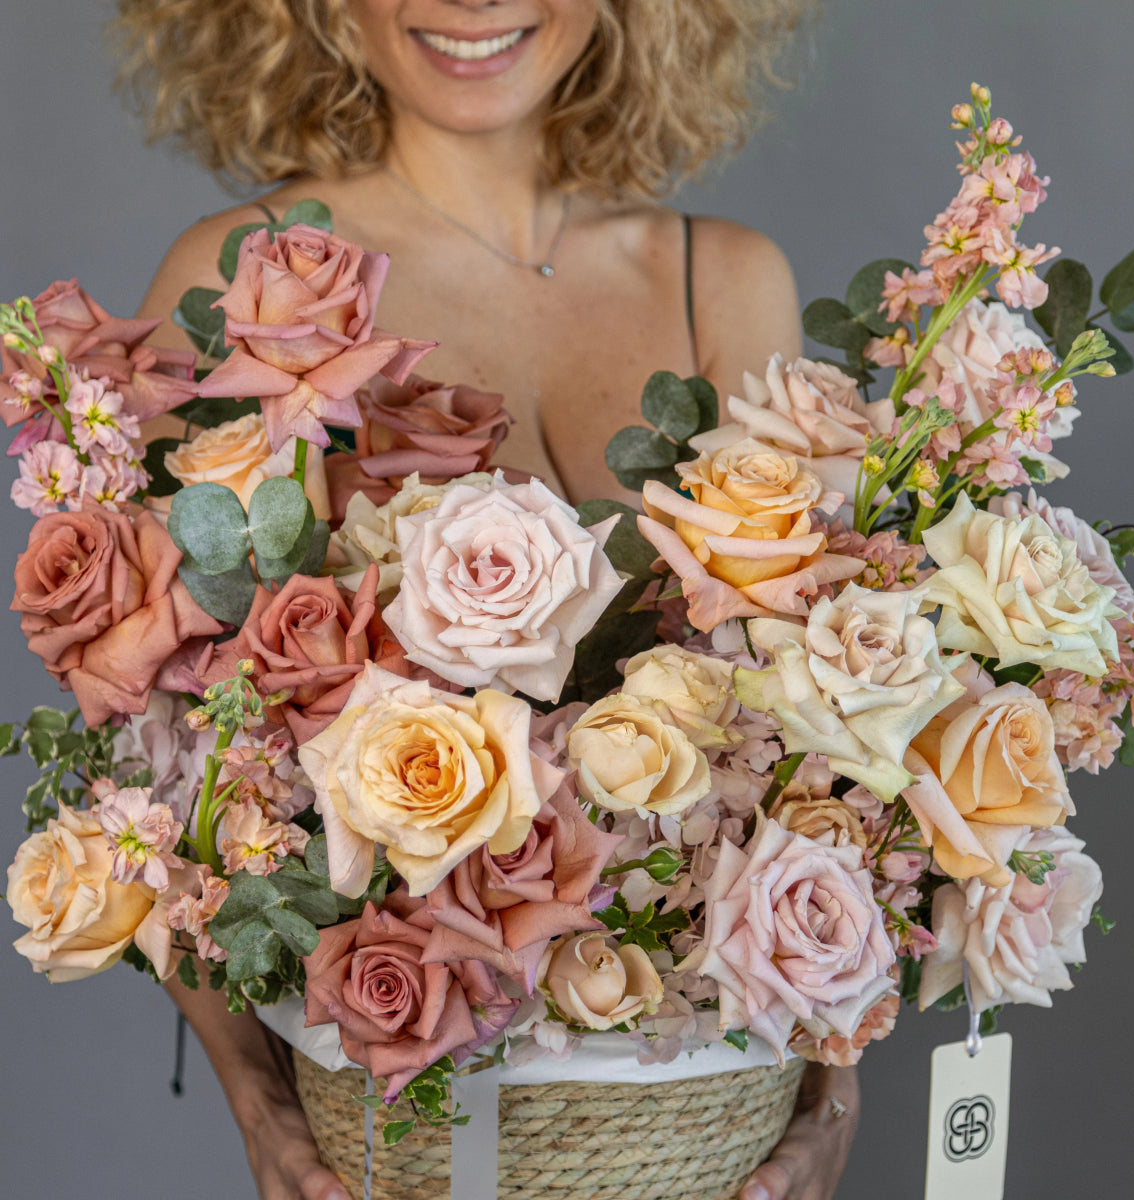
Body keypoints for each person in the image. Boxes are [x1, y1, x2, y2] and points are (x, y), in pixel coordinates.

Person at [115, 1, 860, 1197]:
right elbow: (164, 777)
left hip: (696, 1140)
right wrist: (257, 1102)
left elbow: (839, 755)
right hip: (405, 1145)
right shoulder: (248, 281)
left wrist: (831, 1091)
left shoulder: (721, 281)